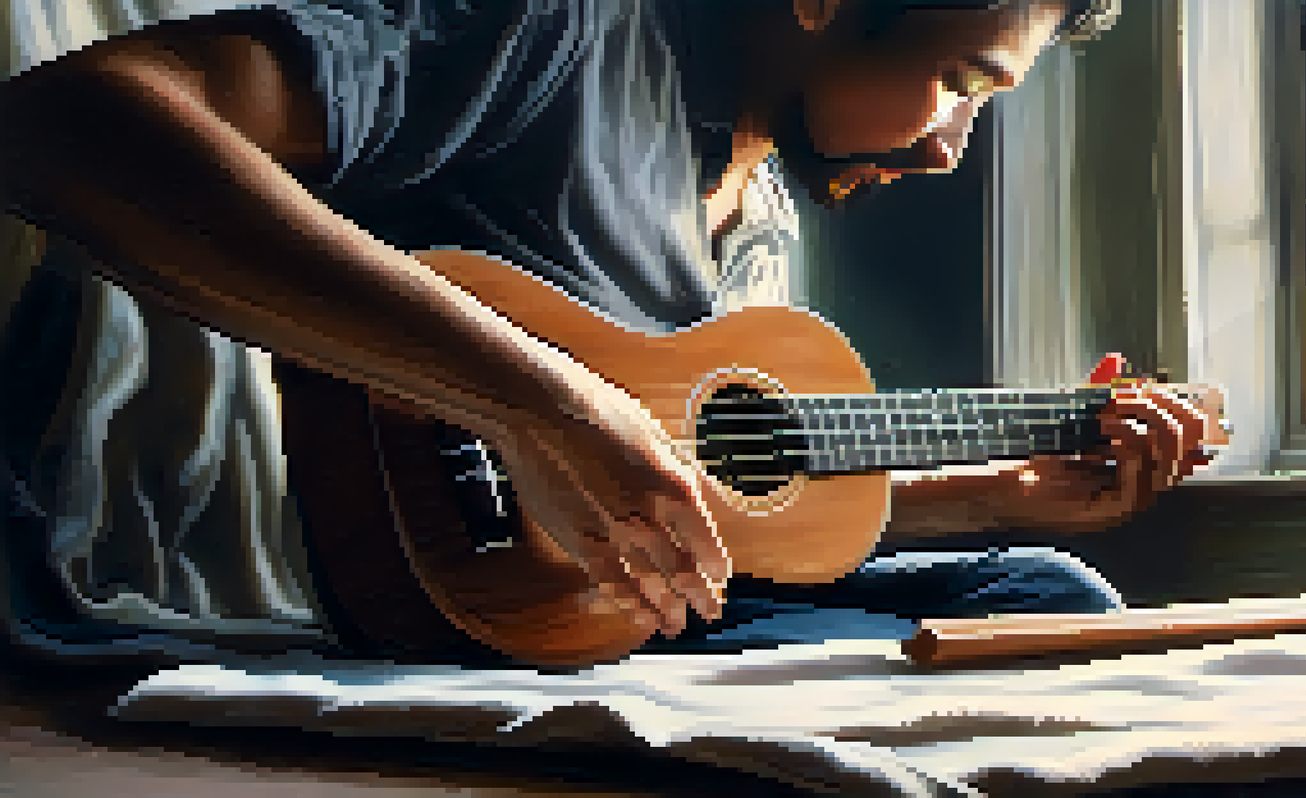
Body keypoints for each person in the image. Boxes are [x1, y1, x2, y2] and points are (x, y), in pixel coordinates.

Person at [0, 0, 1224, 668]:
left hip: (594, 608)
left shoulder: (761, 222)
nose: (954, 142)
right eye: (963, 78)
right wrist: (533, 404)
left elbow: (695, 509)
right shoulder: (555, 32)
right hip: (406, 587)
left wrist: (993, 495)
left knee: (1038, 585)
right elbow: (65, 126)